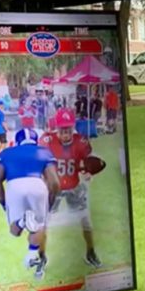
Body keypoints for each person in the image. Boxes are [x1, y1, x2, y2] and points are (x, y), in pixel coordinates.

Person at [0, 128, 60, 280]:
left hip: (14, 186)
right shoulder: (44, 151)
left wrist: (3, 202)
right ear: (35, 141)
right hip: (37, 184)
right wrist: (51, 200)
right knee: (39, 225)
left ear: (17, 141)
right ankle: (32, 253)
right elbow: (54, 182)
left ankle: (23, 221)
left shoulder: (7, 153)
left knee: (14, 231)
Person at [39, 108, 102, 268]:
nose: (65, 133)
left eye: (68, 129)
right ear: (56, 128)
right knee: (42, 222)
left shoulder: (80, 142)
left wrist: (88, 171)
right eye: (62, 130)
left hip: (74, 186)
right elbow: (39, 161)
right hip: (54, 188)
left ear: (72, 127)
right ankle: (41, 256)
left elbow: (86, 160)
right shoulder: (47, 141)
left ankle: (91, 252)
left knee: (86, 220)